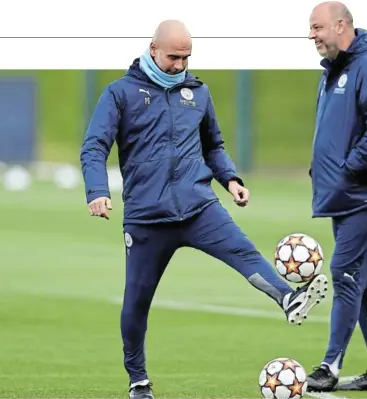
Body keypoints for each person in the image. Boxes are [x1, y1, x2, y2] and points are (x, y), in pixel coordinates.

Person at [80, 19, 330, 399]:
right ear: (152, 50)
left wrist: (231, 180)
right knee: (136, 301)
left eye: (186, 57)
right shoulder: (120, 93)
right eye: (173, 57)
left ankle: (288, 297)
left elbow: (213, 144)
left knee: (244, 251)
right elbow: (94, 146)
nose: (180, 65)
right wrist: (97, 190)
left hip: (199, 206)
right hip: (148, 219)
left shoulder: (197, 92)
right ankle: (138, 380)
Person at [305, 1, 367, 393]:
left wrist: (350, 166)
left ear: (341, 25)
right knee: (364, 282)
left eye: (317, 28)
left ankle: (330, 365)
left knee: (345, 273)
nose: (312, 36)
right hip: (344, 195)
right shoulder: (334, 72)